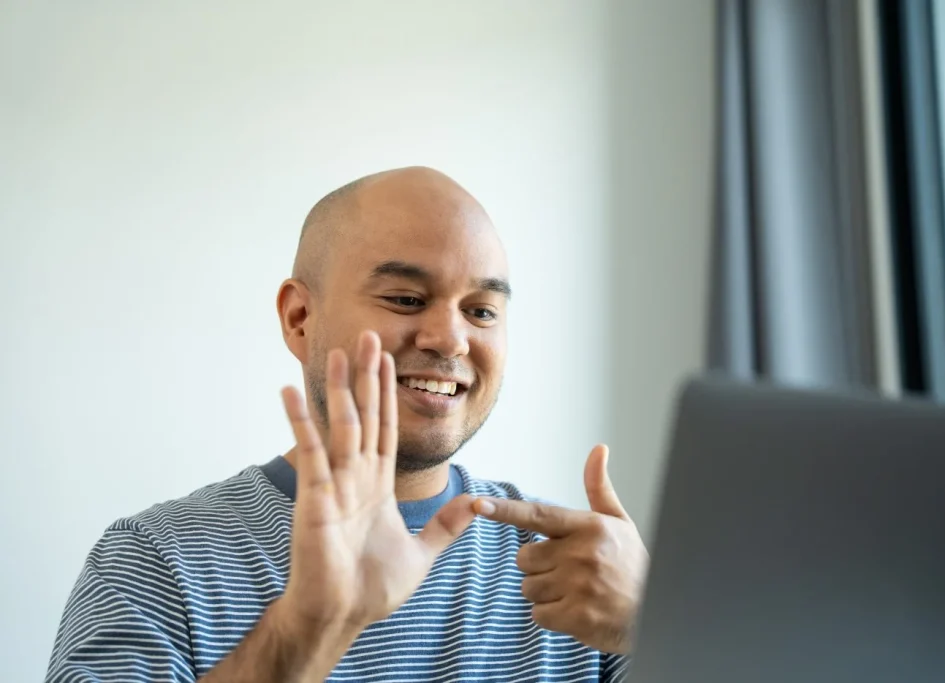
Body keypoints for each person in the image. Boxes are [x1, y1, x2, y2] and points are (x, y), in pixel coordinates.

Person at [46, 167, 649, 682]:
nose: (450, 338)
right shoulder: (152, 562)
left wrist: (656, 629)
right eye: (406, 299)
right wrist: (305, 630)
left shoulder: (579, 573)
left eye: (481, 310)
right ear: (300, 318)